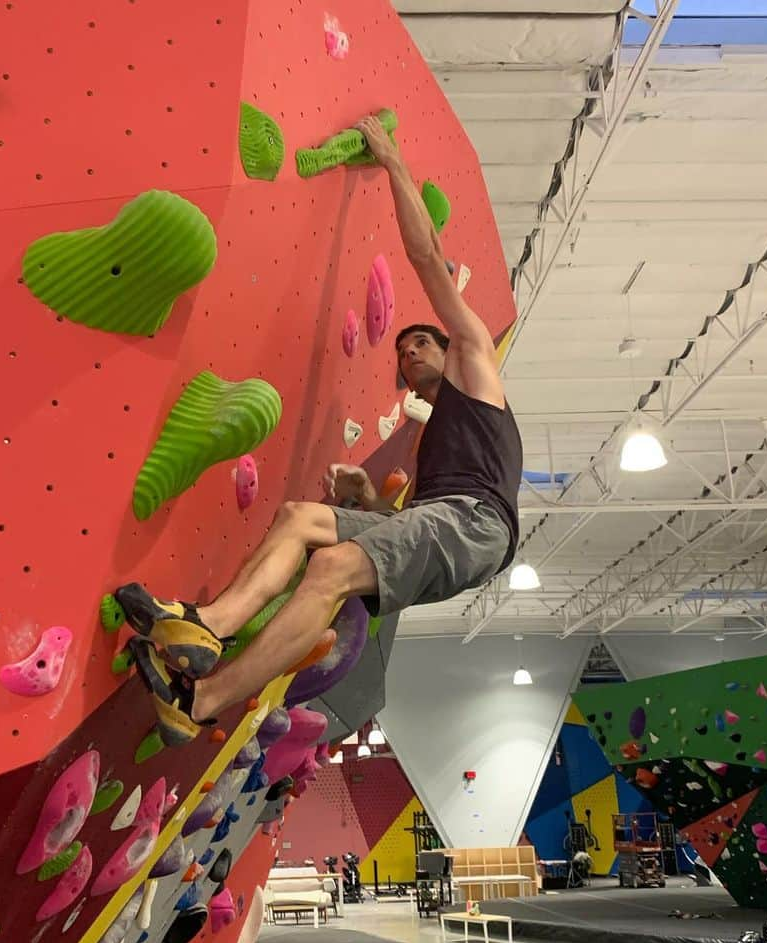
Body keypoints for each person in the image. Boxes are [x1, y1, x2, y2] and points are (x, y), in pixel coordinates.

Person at [116, 114, 523, 744]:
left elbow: (426, 258)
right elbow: (410, 528)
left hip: (476, 524)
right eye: (402, 351)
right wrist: (364, 496)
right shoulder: (435, 438)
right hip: (455, 522)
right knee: (301, 518)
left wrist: (391, 159)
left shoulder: (474, 364)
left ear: (450, 348)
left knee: (333, 568)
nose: (409, 353)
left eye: (421, 343)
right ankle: (209, 628)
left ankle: (203, 700)